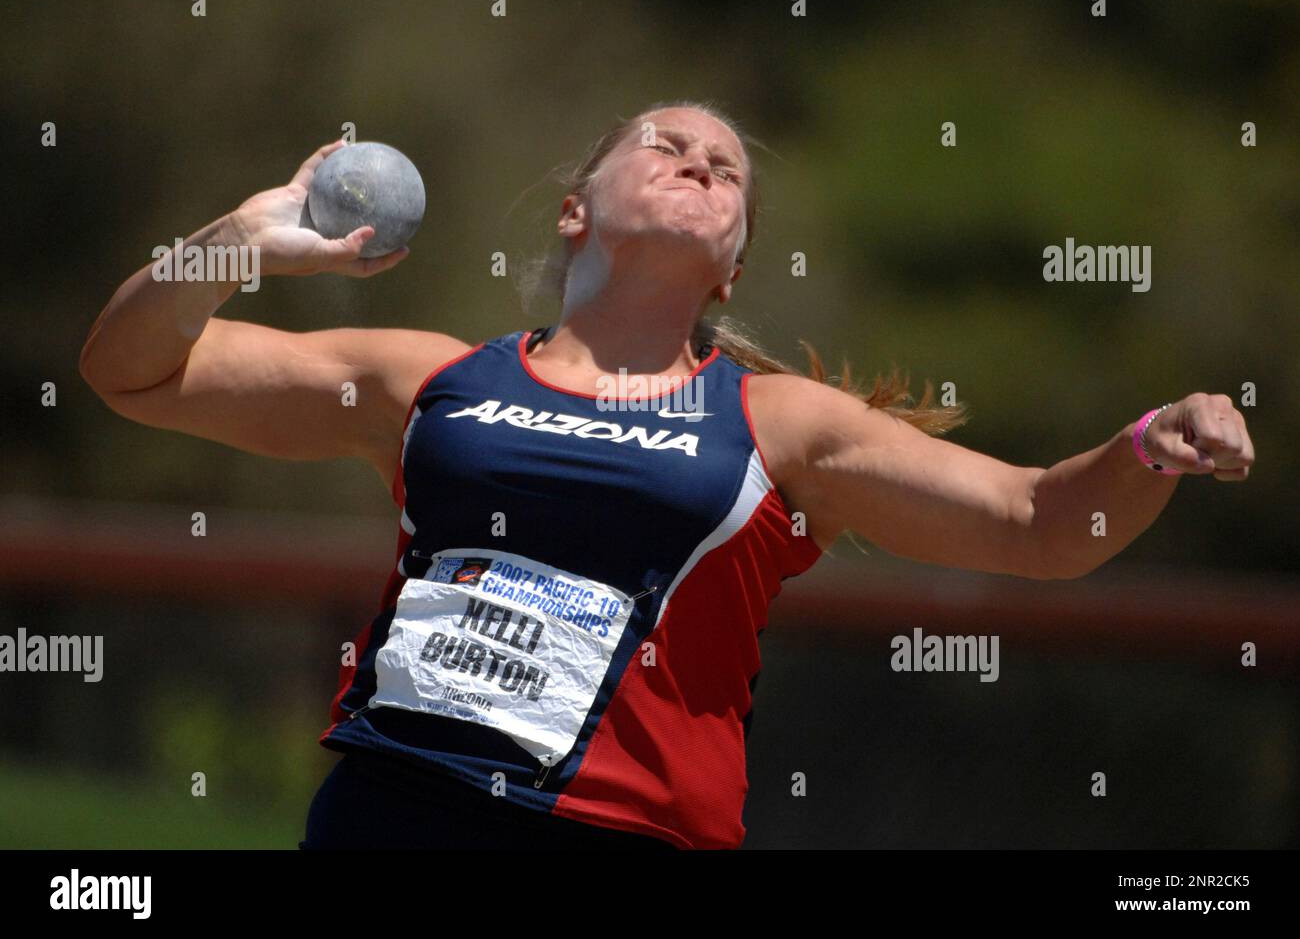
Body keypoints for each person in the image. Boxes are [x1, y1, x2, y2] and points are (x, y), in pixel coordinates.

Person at [79, 100, 1256, 850]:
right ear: (577, 210)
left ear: (734, 268)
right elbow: (132, 372)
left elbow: (1040, 520)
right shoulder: (429, 379)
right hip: (400, 814)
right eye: (666, 143)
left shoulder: (778, 425)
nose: (700, 161)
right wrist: (236, 237)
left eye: (727, 169)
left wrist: (1151, 439)